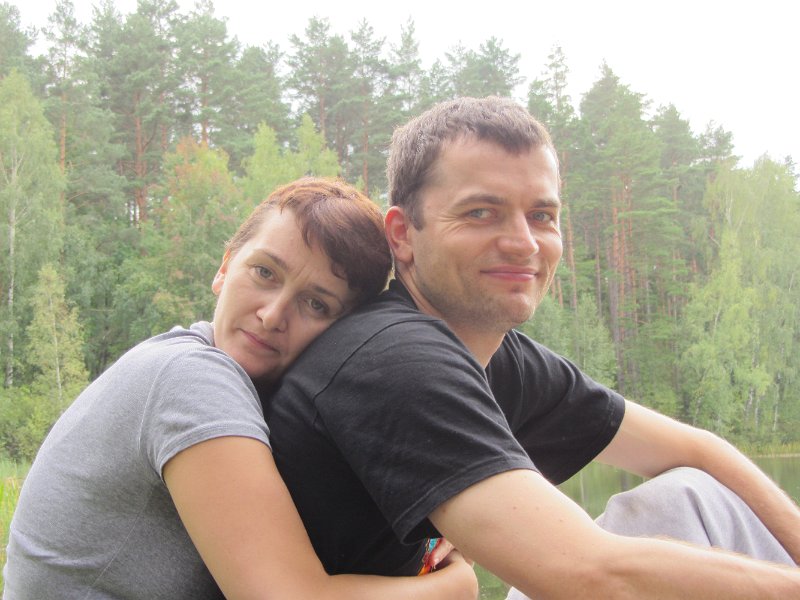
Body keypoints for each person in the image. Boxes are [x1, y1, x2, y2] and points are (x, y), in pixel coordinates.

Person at [260, 98, 800, 598]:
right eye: (481, 213)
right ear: (402, 235)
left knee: (691, 495)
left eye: (542, 216)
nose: (523, 243)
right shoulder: (392, 359)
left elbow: (699, 450)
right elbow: (587, 575)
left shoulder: (500, 358)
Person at [3, 178, 477, 599]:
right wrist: (455, 586)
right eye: (265, 273)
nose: (272, 315)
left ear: (340, 335)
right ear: (225, 267)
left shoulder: (223, 381)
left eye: (316, 304)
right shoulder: (190, 378)